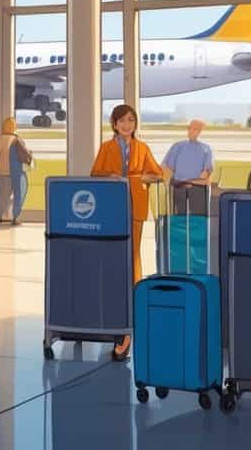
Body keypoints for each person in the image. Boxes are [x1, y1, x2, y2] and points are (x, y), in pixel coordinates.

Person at [91, 103, 164, 360]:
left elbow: (157, 174)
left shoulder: (142, 148)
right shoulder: (106, 148)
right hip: (112, 208)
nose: (127, 125)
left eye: (131, 120)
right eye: (122, 120)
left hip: (135, 208)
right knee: (112, 255)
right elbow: (95, 174)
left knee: (132, 256)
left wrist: (143, 178)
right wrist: (109, 176)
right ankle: (112, 299)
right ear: (114, 123)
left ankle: (133, 299)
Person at [0, 117, 32, 227]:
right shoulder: (16, 140)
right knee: (10, 196)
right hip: (10, 173)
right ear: (13, 127)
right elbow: (25, 155)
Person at [162, 119, 213, 216]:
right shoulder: (177, 146)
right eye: (190, 128)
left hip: (198, 189)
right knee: (179, 218)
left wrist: (192, 182)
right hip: (178, 188)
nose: (191, 131)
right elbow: (168, 169)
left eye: (196, 129)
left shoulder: (206, 148)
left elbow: (206, 173)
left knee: (198, 218)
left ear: (200, 132)